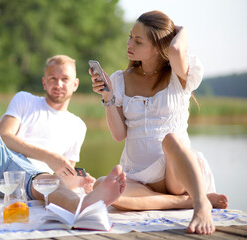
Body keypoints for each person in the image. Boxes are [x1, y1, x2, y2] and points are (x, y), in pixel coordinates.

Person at [90, 11, 228, 235]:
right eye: (130, 37)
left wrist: (181, 30)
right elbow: (119, 135)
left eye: (138, 40)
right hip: (139, 178)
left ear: (157, 47)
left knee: (171, 138)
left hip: (177, 174)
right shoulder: (118, 80)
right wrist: (107, 97)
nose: (129, 44)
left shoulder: (179, 73)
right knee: (101, 186)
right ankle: (184, 202)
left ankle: (201, 204)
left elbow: (175, 50)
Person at [0, 54, 127, 214]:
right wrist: (49, 157)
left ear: (75, 84)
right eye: (53, 78)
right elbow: (3, 135)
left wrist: (78, 181)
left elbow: (63, 175)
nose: (58, 84)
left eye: (64, 79)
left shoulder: (78, 126)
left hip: (30, 180)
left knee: (52, 182)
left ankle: (81, 205)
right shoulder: (25, 99)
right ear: (44, 83)